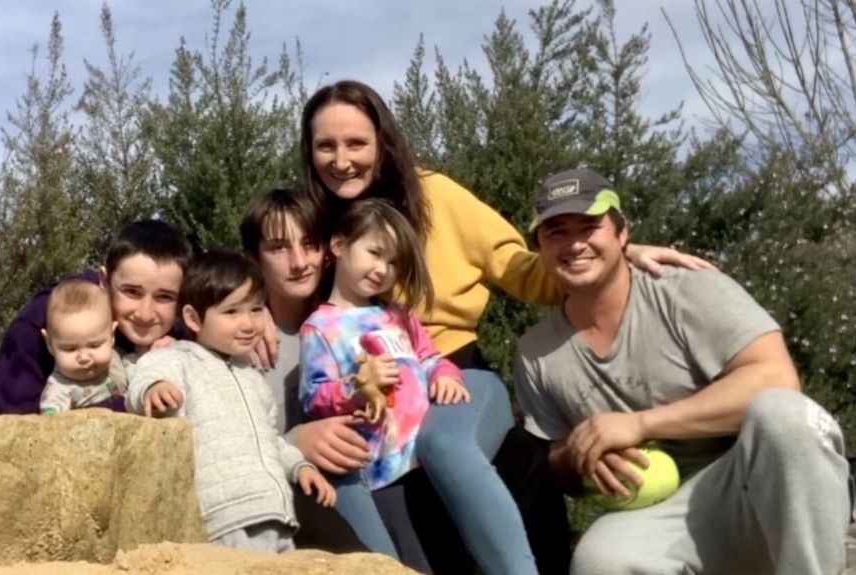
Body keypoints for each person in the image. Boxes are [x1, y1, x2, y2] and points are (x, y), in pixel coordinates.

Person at [297, 79, 712, 574]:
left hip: (450, 373)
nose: (341, 160)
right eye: (327, 145)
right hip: (370, 410)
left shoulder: (434, 195)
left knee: (506, 466)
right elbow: (277, 307)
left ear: (382, 142)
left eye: (356, 143)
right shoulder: (312, 225)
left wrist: (613, 260)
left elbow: (518, 267)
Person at [513, 167, 852, 574]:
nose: (574, 243)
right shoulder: (535, 352)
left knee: (787, 418)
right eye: (556, 233)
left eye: (589, 226)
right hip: (661, 516)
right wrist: (583, 454)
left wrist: (641, 424)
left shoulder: (687, 289)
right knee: (598, 561)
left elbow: (776, 379)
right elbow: (557, 467)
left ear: (623, 235)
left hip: (749, 488)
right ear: (540, 249)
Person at [299, 198, 538, 575]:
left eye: (394, 263)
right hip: (384, 473)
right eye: (374, 252)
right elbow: (314, 396)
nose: (382, 269)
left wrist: (446, 374)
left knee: (454, 555)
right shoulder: (319, 328)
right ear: (339, 244)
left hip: (426, 464)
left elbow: (430, 357)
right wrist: (356, 390)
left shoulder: (398, 315)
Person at [126, 250, 336, 552]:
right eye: (232, 312)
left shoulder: (252, 378)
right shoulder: (180, 359)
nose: (248, 323)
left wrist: (299, 467)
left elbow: (271, 440)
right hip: (225, 517)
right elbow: (147, 373)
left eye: (255, 309)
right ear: (193, 318)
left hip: (276, 512)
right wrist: (154, 388)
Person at [240, 188, 370, 555]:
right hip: (300, 503)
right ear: (253, 258)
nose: (299, 262)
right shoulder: (242, 343)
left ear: (329, 252)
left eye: (310, 244)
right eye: (279, 248)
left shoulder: (354, 323)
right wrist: (297, 441)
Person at [0, 219, 192, 415]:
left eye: (164, 296)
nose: (145, 314)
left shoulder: (184, 329)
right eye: (131, 292)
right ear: (104, 281)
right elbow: (8, 426)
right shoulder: (40, 324)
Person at [38, 280, 127, 415]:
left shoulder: (117, 360)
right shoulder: (59, 388)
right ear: (49, 344)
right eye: (70, 349)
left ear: (112, 336)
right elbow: (51, 424)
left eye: (94, 345)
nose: (84, 358)